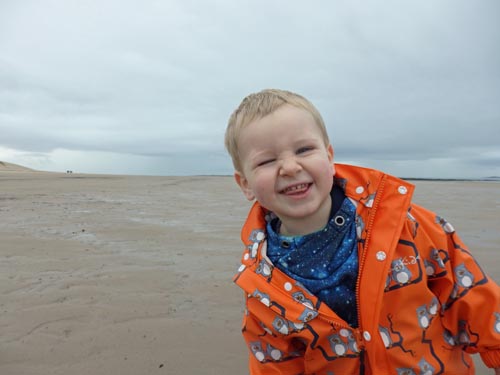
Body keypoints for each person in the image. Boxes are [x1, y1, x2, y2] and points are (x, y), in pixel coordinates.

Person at [224, 88, 500, 374]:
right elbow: (274, 362)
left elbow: (467, 293)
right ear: (244, 183)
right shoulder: (261, 281)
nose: (290, 167)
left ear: (329, 157)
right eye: (267, 161)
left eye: (304, 149)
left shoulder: (405, 225)